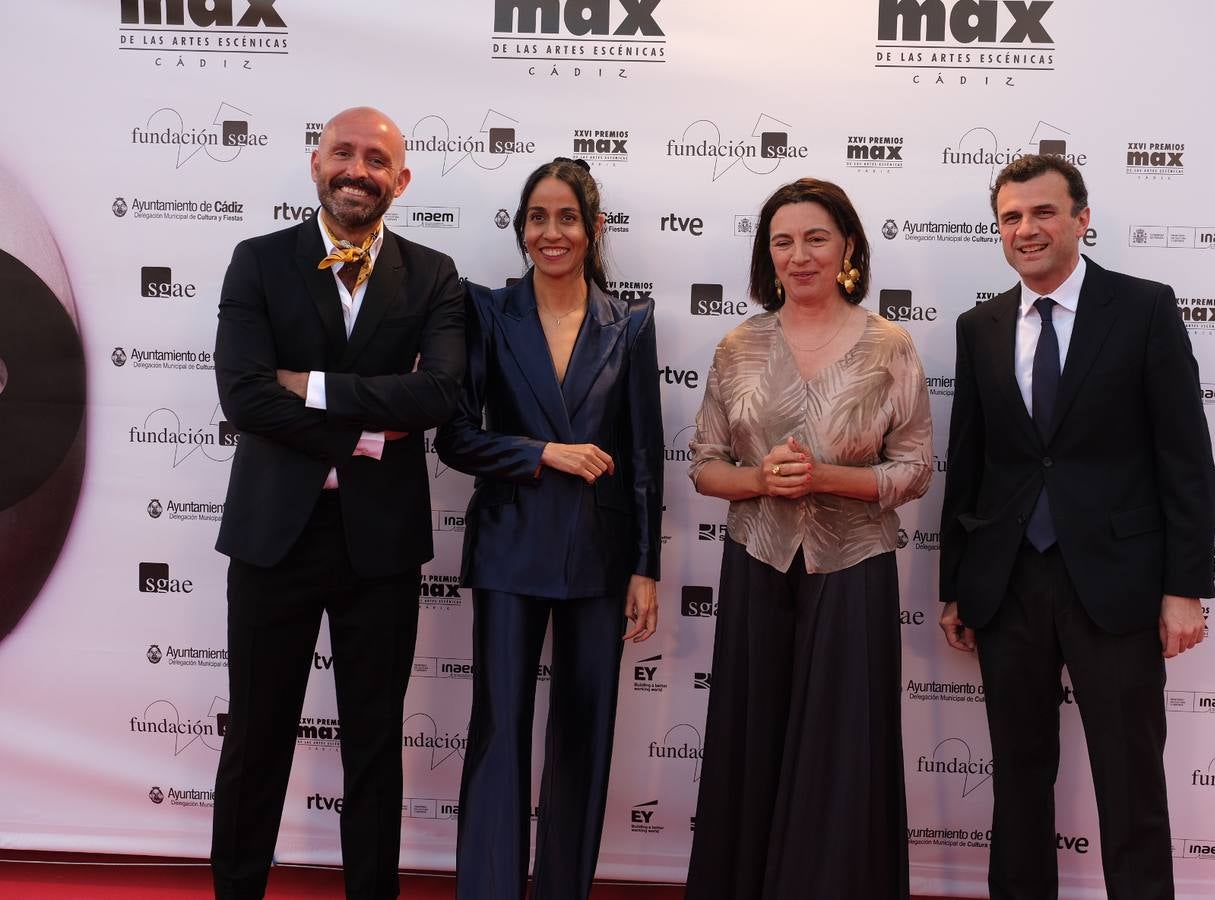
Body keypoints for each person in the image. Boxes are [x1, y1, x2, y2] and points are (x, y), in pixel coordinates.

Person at [938, 154, 1215, 899]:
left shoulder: (1145, 308)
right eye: (1011, 218)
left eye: (1043, 213)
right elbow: (969, 463)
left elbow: (1186, 459)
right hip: (1010, 584)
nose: (1026, 229)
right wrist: (958, 583)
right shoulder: (980, 325)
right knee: (1019, 781)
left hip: (1118, 584)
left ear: (1082, 219)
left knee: (1130, 785)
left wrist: (1185, 588)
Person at [210, 106, 465, 900]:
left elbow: (442, 392)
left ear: (402, 178)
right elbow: (245, 398)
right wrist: (364, 432)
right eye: (344, 154)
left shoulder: (434, 274)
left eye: (377, 160)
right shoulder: (257, 261)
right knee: (256, 737)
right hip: (271, 538)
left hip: (379, 546)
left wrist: (314, 387)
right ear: (316, 161)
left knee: (372, 744)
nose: (358, 171)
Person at [685, 178, 933, 900]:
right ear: (769, 255)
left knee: (844, 750)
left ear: (847, 245)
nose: (800, 255)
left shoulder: (890, 345)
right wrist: (762, 481)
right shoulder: (739, 345)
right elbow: (704, 465)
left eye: (816, 238)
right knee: (749, 737)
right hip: (757, 560)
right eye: (783, 242)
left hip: (853, 566)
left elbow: (915, 469)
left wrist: (826, 476)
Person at [434, 157, 663, 900]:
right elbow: (457, 438)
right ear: (521, 227)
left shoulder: (629, 322)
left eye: (567, 217)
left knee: (584, 735)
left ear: (594, 229)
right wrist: (541, 452)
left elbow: (643, 457)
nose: (552, 232)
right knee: (500, 732)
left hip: (599, 559)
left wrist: (645, 567)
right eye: (538, 217)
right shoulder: (486, 312)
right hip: (509, 548)